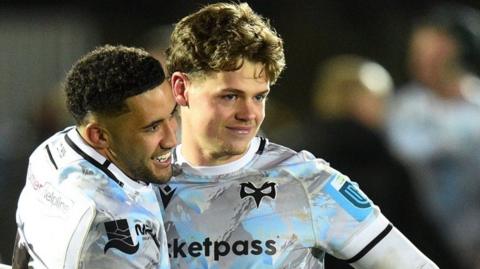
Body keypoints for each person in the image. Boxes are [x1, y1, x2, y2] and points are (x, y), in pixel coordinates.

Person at [159, 2, 438, 268]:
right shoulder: (137, 185)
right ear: (182, 89)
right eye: (230, 96)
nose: (249, 113)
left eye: (259, 97)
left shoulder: (307, 182)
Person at [13, 45, 177, 268]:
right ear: (99, 135)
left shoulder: (53, 148)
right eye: (152, 127)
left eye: (172, 115)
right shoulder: (113, 236)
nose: (171, 140)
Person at [385, 3, 480, 269]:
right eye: (416, 49)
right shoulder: (404, 108)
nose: (417, 58)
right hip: (417, 246)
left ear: (455, 50)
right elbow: (403, 152)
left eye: (427, 49)